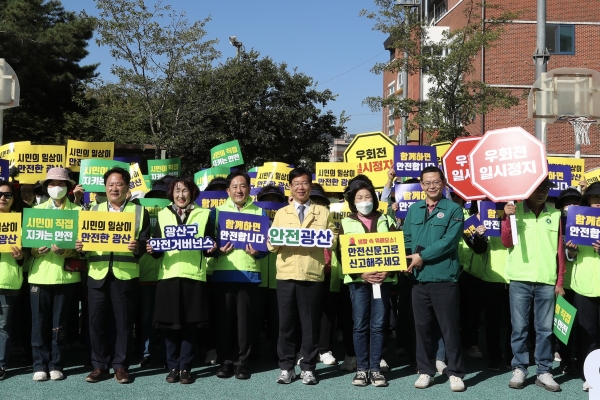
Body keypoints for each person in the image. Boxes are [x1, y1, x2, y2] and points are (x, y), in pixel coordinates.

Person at [75, 166, 150, 384]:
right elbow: (83, 243)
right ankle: (99, 366)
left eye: (119, 184)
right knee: (96, 322)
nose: (114, 188)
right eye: (110, 184)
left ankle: (121, 366)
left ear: (127, 187)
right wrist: (81, 247)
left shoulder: (139, 211)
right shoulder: (91, 210)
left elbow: (145, 242)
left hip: (125, 275)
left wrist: (138, 246)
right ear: (105, 188)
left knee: (124, 323)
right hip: (97, 274)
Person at [268, 167, 336, 385]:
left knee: (310, 325)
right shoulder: (281, 213)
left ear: (311, 186)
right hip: (286, 274)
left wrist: (326, 239)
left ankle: (308, 367)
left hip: (311, 274)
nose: (300, 187)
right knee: (286, 324)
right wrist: (276, 242)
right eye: (296, 183)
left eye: (305, 183)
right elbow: (271, 244)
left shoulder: (323, 212)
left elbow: (333, 239)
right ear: (290, 186)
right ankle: (286, 367)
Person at [403, 166, 465, 392]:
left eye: (436, 182)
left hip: (443, 278)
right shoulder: (414, 209)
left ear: (443, 183)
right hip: (419, 279)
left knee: (449, 328)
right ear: (421, 185)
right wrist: (408, 259)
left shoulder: (454, 210)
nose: (431, 186)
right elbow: (407, 236)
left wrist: (422, 256)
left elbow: (449, 241)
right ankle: (425, 370)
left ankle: (456, 372)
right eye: (427, 182)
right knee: (422, 328)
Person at [147, 177, 216, 384]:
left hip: (193, 277)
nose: (180, 195)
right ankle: (172, 366)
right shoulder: (162, 214)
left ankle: (185, 367)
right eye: (177, 191)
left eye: (185, 190)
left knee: (189, 327)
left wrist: (212, 247)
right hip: (168, 277)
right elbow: (157, 250)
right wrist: (152, 250)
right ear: (171, 194)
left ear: (192, 193)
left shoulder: (204, 214)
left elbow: (209, 244)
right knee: (170, 326)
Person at [502, 177, 564, 392]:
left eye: (546, 188)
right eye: (538, 188)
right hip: (519, 278)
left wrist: (560, 281)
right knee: (519, 329)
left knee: (545, 330)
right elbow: (506, 241)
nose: (542, 192)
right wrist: (505, 218)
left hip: (547, 280)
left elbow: (559, 252)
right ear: (528, 189)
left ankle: (544, 371)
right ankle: (519, 367)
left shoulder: (555, 214)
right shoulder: (514, 209)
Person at [208, 171, 268, 380]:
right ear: (227, 190)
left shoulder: (259, 213)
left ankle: (241, 363)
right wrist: (217, 250)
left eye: (243, 186)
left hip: (248, 274)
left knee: (245, 323)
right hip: (222, 274)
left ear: (249, 189)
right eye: (234, 186)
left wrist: (258, 252)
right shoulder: (216, 212)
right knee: (223, 321)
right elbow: (208, 245)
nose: (239, 190)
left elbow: (267, 246)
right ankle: (225, 362)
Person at [337, 180, 397, 387]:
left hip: (383, 280)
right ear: (353, 202)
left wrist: (387, 269)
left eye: (368, 196)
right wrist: (361, 274)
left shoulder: (387, 220)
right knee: (360, 325)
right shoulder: (346, 223)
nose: (364, 201)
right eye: (359, 198)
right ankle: (362, 369)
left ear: (375, 198)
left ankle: (375, 369)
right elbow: (341, 253)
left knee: (379, 325)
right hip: (359, 282)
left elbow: (396, 248)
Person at [28, 168, 82, 381]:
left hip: (65, 276)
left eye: (60, 184)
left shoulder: (78, 211)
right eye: (51, 184)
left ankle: (56, 363)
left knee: (59, 324)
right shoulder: (36, 210)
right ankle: (39, 364)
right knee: (39, 323)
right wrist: (35, 250)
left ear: (68, 188)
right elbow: (27, 244)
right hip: (39, 275)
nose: (55, 188)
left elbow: (83, 246)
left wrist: (66, 251)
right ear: (46, 187)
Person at [565, 183, 600, 392]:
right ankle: (590, 374)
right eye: (594, 199)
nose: (597, 203)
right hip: (584, 285)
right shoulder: (577, 219)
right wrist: (572, 251)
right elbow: (569, 257)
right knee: (587, 333)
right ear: (587, 201)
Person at [309, 183, 339, 366]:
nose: (317, 205)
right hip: (307, 271)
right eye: (314, 201)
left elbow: (335, 240)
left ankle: (324, 349)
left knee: (327, 313)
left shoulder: (330, 219)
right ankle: (306, 349)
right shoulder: (297, 219)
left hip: (329, 271)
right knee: (306, 312)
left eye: (321, 202)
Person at [0, 180, 27, 380]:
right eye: (0, 194)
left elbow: (27, 256)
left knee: (3, 328)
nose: (3, 198)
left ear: (13, 199)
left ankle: (0, 365)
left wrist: (20, 257)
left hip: (8, 281)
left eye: (7, 195)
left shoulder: (20, 223)